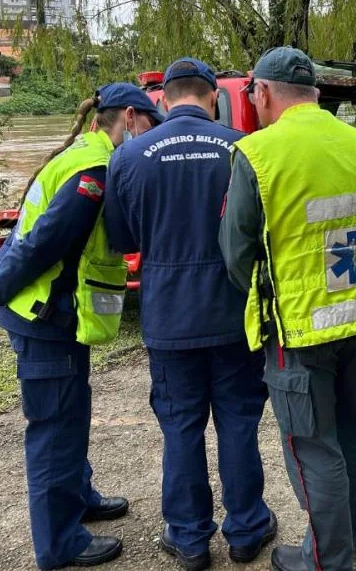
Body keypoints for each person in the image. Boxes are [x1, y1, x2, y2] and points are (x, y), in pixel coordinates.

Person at [0, 83, 163, 570]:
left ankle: (79, 497)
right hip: (44, 314)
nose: (151, 137)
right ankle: (59, 543)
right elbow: (43, 241)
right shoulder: (94, 171)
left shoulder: (83, 154)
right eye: (150, 125)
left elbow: (29, 227)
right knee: (56, 428)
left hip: (60, 315)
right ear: (129, 117)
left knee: (72, 412)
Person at [219, 47, 356, 571]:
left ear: (263, 92)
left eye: (253, 93)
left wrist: (264, 295)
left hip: (299, 328)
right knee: (355, 426)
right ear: (315, 93)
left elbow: (236, 250)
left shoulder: (257, 153)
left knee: (312, 444)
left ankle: (325, 559)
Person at [103, 58, 276, 571]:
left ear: (162, 98)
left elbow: (122, 239)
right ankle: (246, 530)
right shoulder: (243, 148)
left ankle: (189, 538)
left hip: (169, 315)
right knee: (239, 422)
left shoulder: (129, 156)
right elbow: (259, 232)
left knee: (181, 427)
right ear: (213, 98)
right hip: (232, 311)